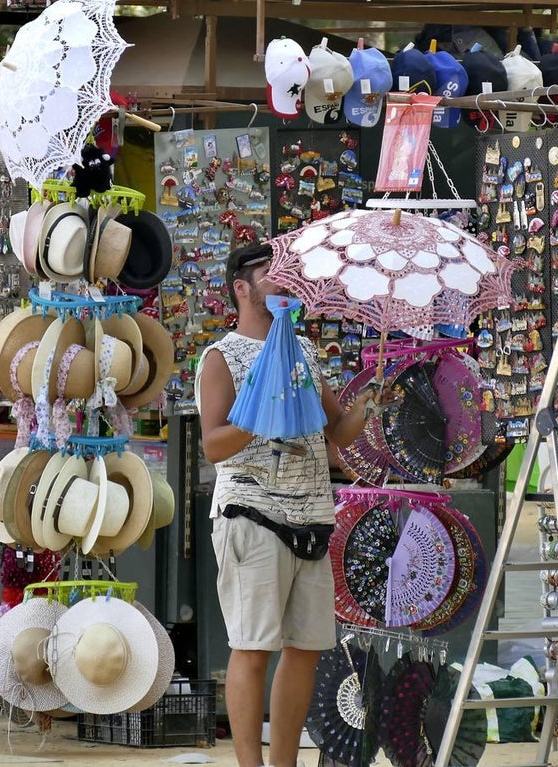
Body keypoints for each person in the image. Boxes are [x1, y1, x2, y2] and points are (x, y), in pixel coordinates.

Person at [195, 242, 372, 767]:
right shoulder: (222, 356)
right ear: (242, 289)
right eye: (271, 273)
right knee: (253, 648)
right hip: (252, 514)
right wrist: (260, 413)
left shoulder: (306, 353)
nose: (284, 281)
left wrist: (369, 401)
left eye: (288, 273)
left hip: (312, 516)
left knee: (307, 649)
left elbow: (338, 432)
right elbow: (213, 445)